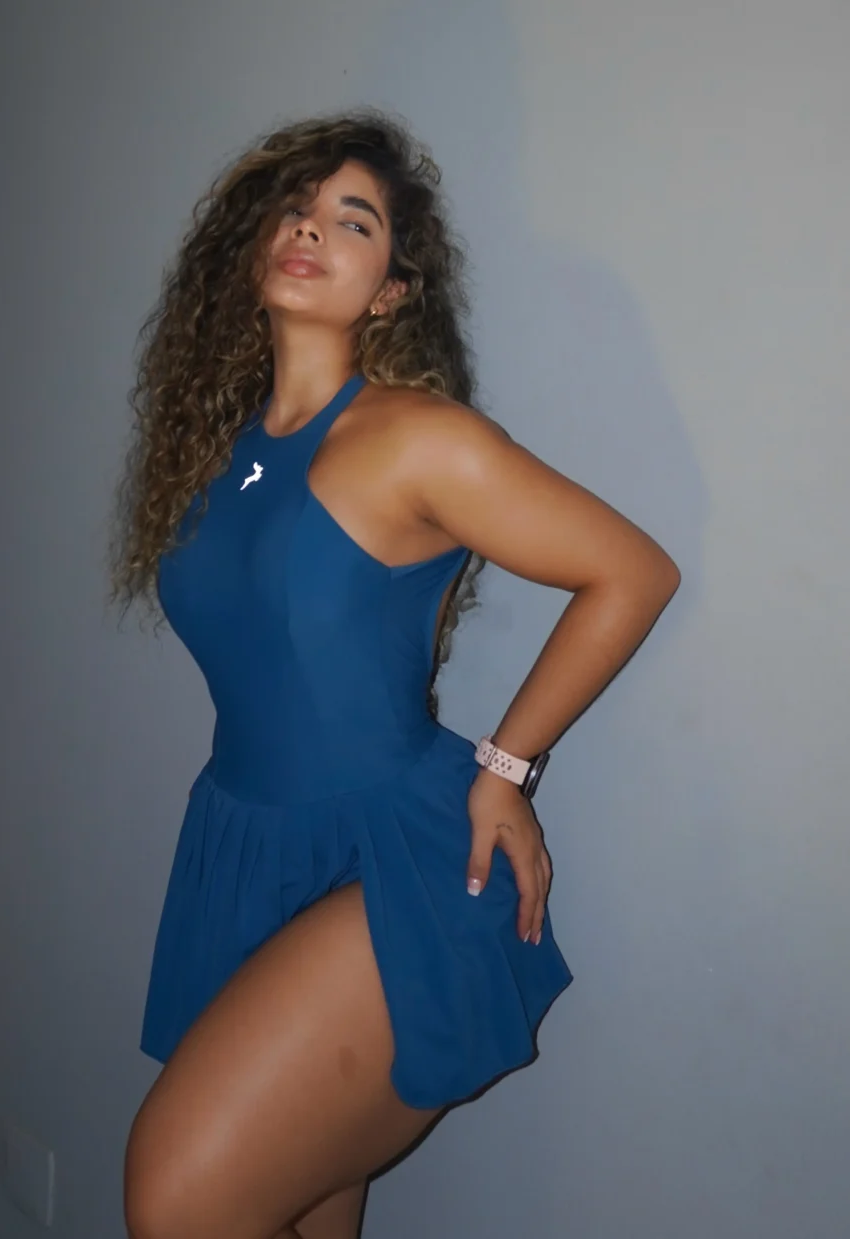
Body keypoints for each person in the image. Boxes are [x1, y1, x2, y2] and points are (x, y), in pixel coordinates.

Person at [111, 111, 680, 1239]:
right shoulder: (219, 450)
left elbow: (631, 572)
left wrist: (507, 770)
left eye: (353, 221)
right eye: (297, 208)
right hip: (246, 846)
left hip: (396, 860)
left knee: (176, 1200)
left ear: (390, 292)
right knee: (301, 1206)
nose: (310, 229)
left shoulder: (415, 437)